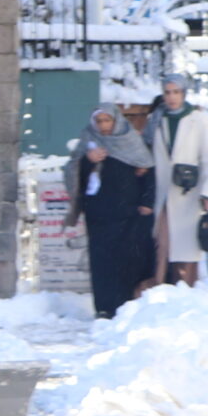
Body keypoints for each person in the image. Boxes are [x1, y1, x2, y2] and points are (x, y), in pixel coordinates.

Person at [62, 103, 156, 318]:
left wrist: (146, 202)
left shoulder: (130, 140)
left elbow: (147, 169)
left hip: (128, 213)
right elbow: (73, 170)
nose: (104, 126)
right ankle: (104, 307)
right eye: (99, 121)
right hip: (99, 214)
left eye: (107, 120)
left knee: (127, 260)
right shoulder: (88, 139)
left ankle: (125, 305)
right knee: (102, 263)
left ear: (116, 121)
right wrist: (88, 160)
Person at [150, 75, 208, 287]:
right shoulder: (156, 120)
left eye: (176, 92)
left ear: (183, 94)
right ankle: (161, 286)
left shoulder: (197, 119)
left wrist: (207, 192)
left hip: (189, 191)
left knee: (187, 245)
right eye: (167, 92)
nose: (171, 97)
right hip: (163, 191)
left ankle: (186, 288)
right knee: (163, 243)